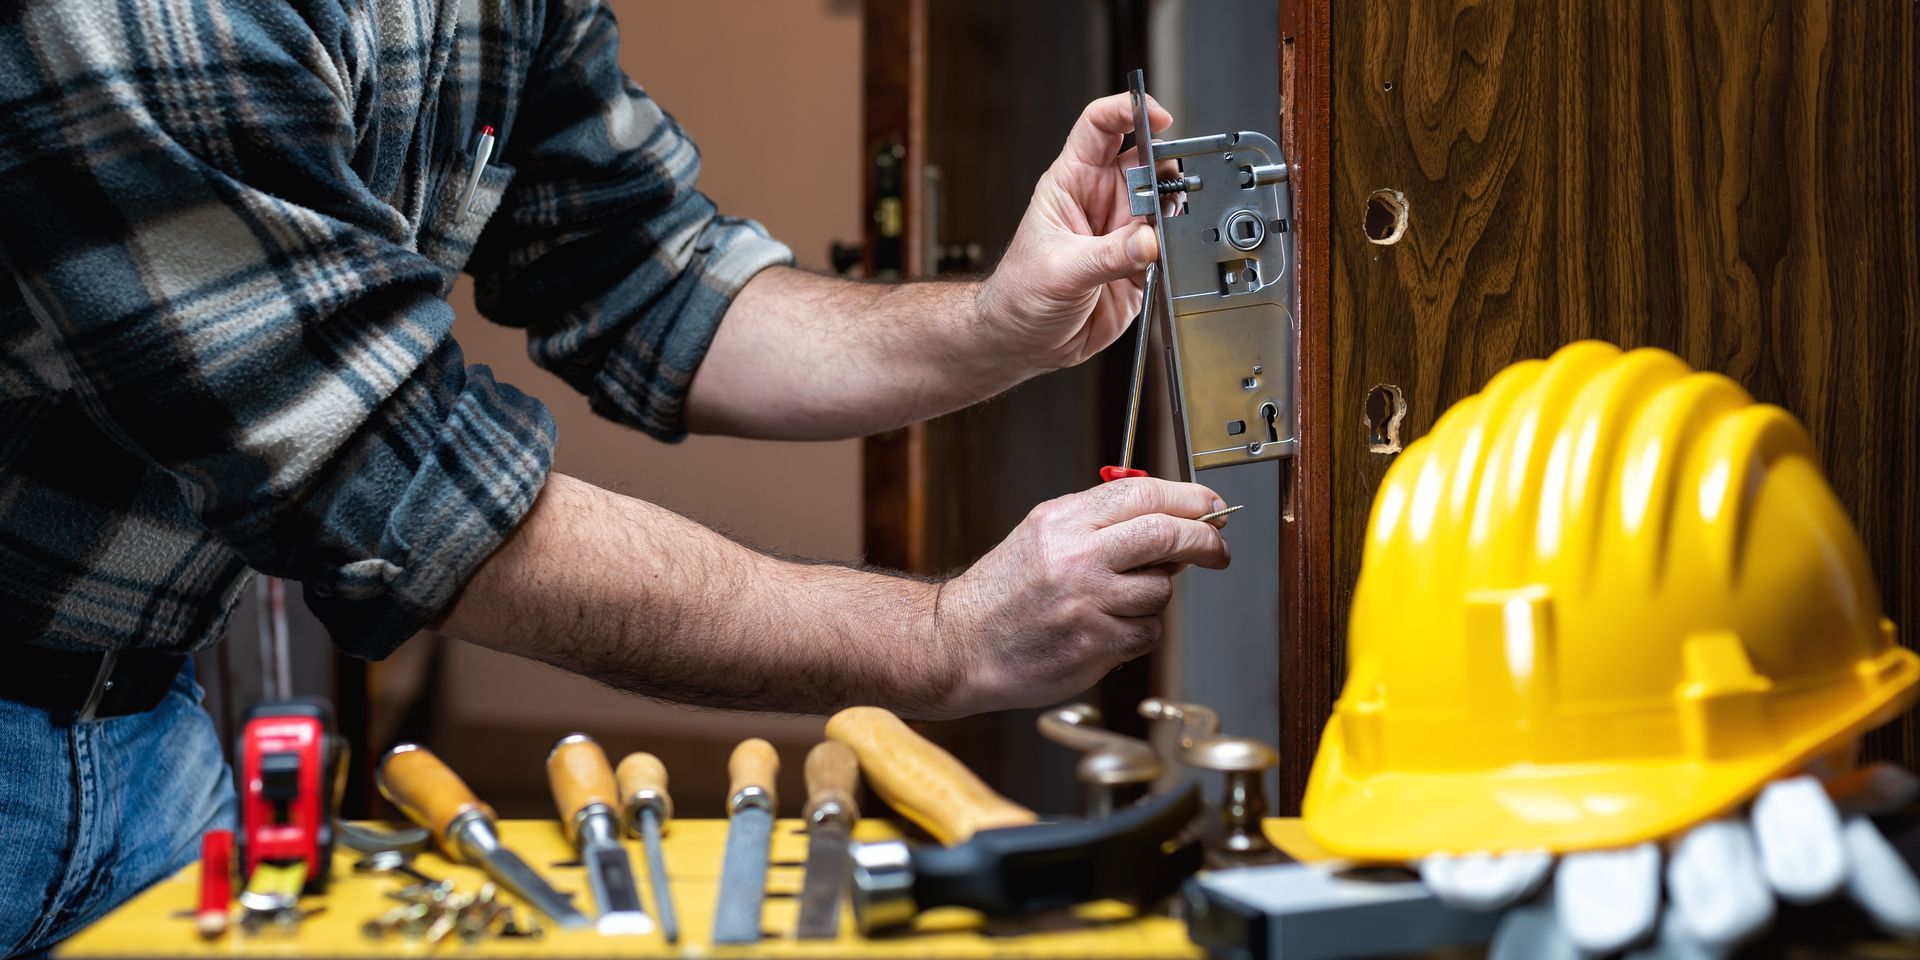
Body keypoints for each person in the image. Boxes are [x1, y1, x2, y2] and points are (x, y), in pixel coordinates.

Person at [0, 1, 1230, 952]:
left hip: (150, 724)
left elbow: (649, 269)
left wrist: (994, 326)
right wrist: (948, 636)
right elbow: (402, 487)